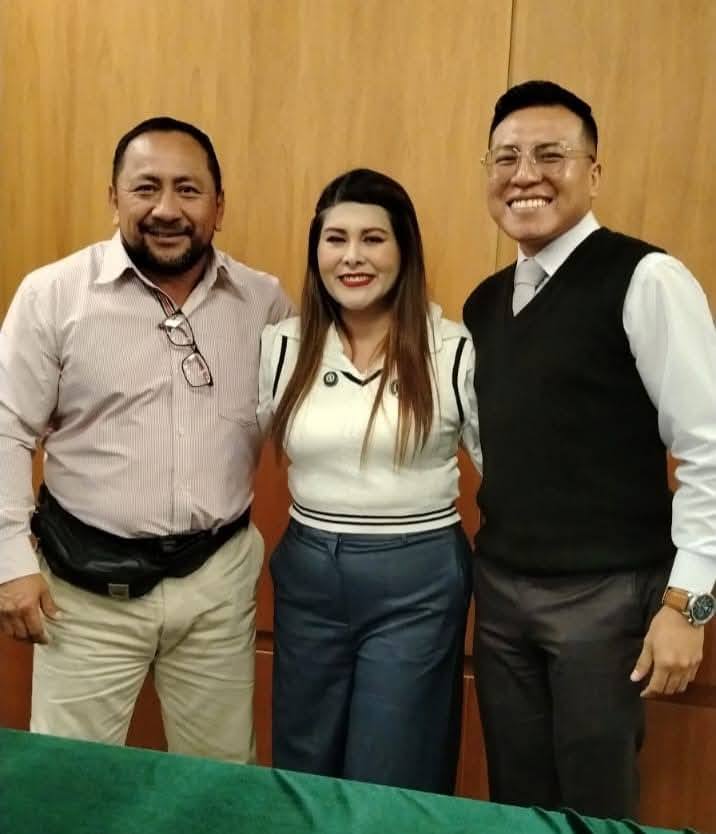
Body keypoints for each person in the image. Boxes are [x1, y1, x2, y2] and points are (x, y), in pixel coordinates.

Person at [0, 116, 293, 761]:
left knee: (221, 782)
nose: (166, 209)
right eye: (145, 188)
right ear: (114, 198)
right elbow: (6, 427)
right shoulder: (53, 295)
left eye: (188, 190)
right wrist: (10, 562)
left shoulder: (264, 302)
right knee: (69, 781)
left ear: (219, 206)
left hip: (217, 583)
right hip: (83, 590)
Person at [463, 80, 716, 819]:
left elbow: (709, 446)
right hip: (501, 590)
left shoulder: (647, 279)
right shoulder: (485, 301)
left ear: (593, 172)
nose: (525, 175)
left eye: (551, 155)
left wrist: (688, 604)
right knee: (517, 802)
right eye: (506, 158)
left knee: (595, 805)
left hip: (608, 599)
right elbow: (497, 444)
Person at [258, 168, 480, 793]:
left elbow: (510, 474)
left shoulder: (452, 348)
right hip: (308, 573)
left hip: (418, 581)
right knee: (303, 764)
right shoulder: (281, 345)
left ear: (404, 250)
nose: (352, 257)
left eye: (373, 239)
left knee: (392, 770)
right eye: (336, 239)